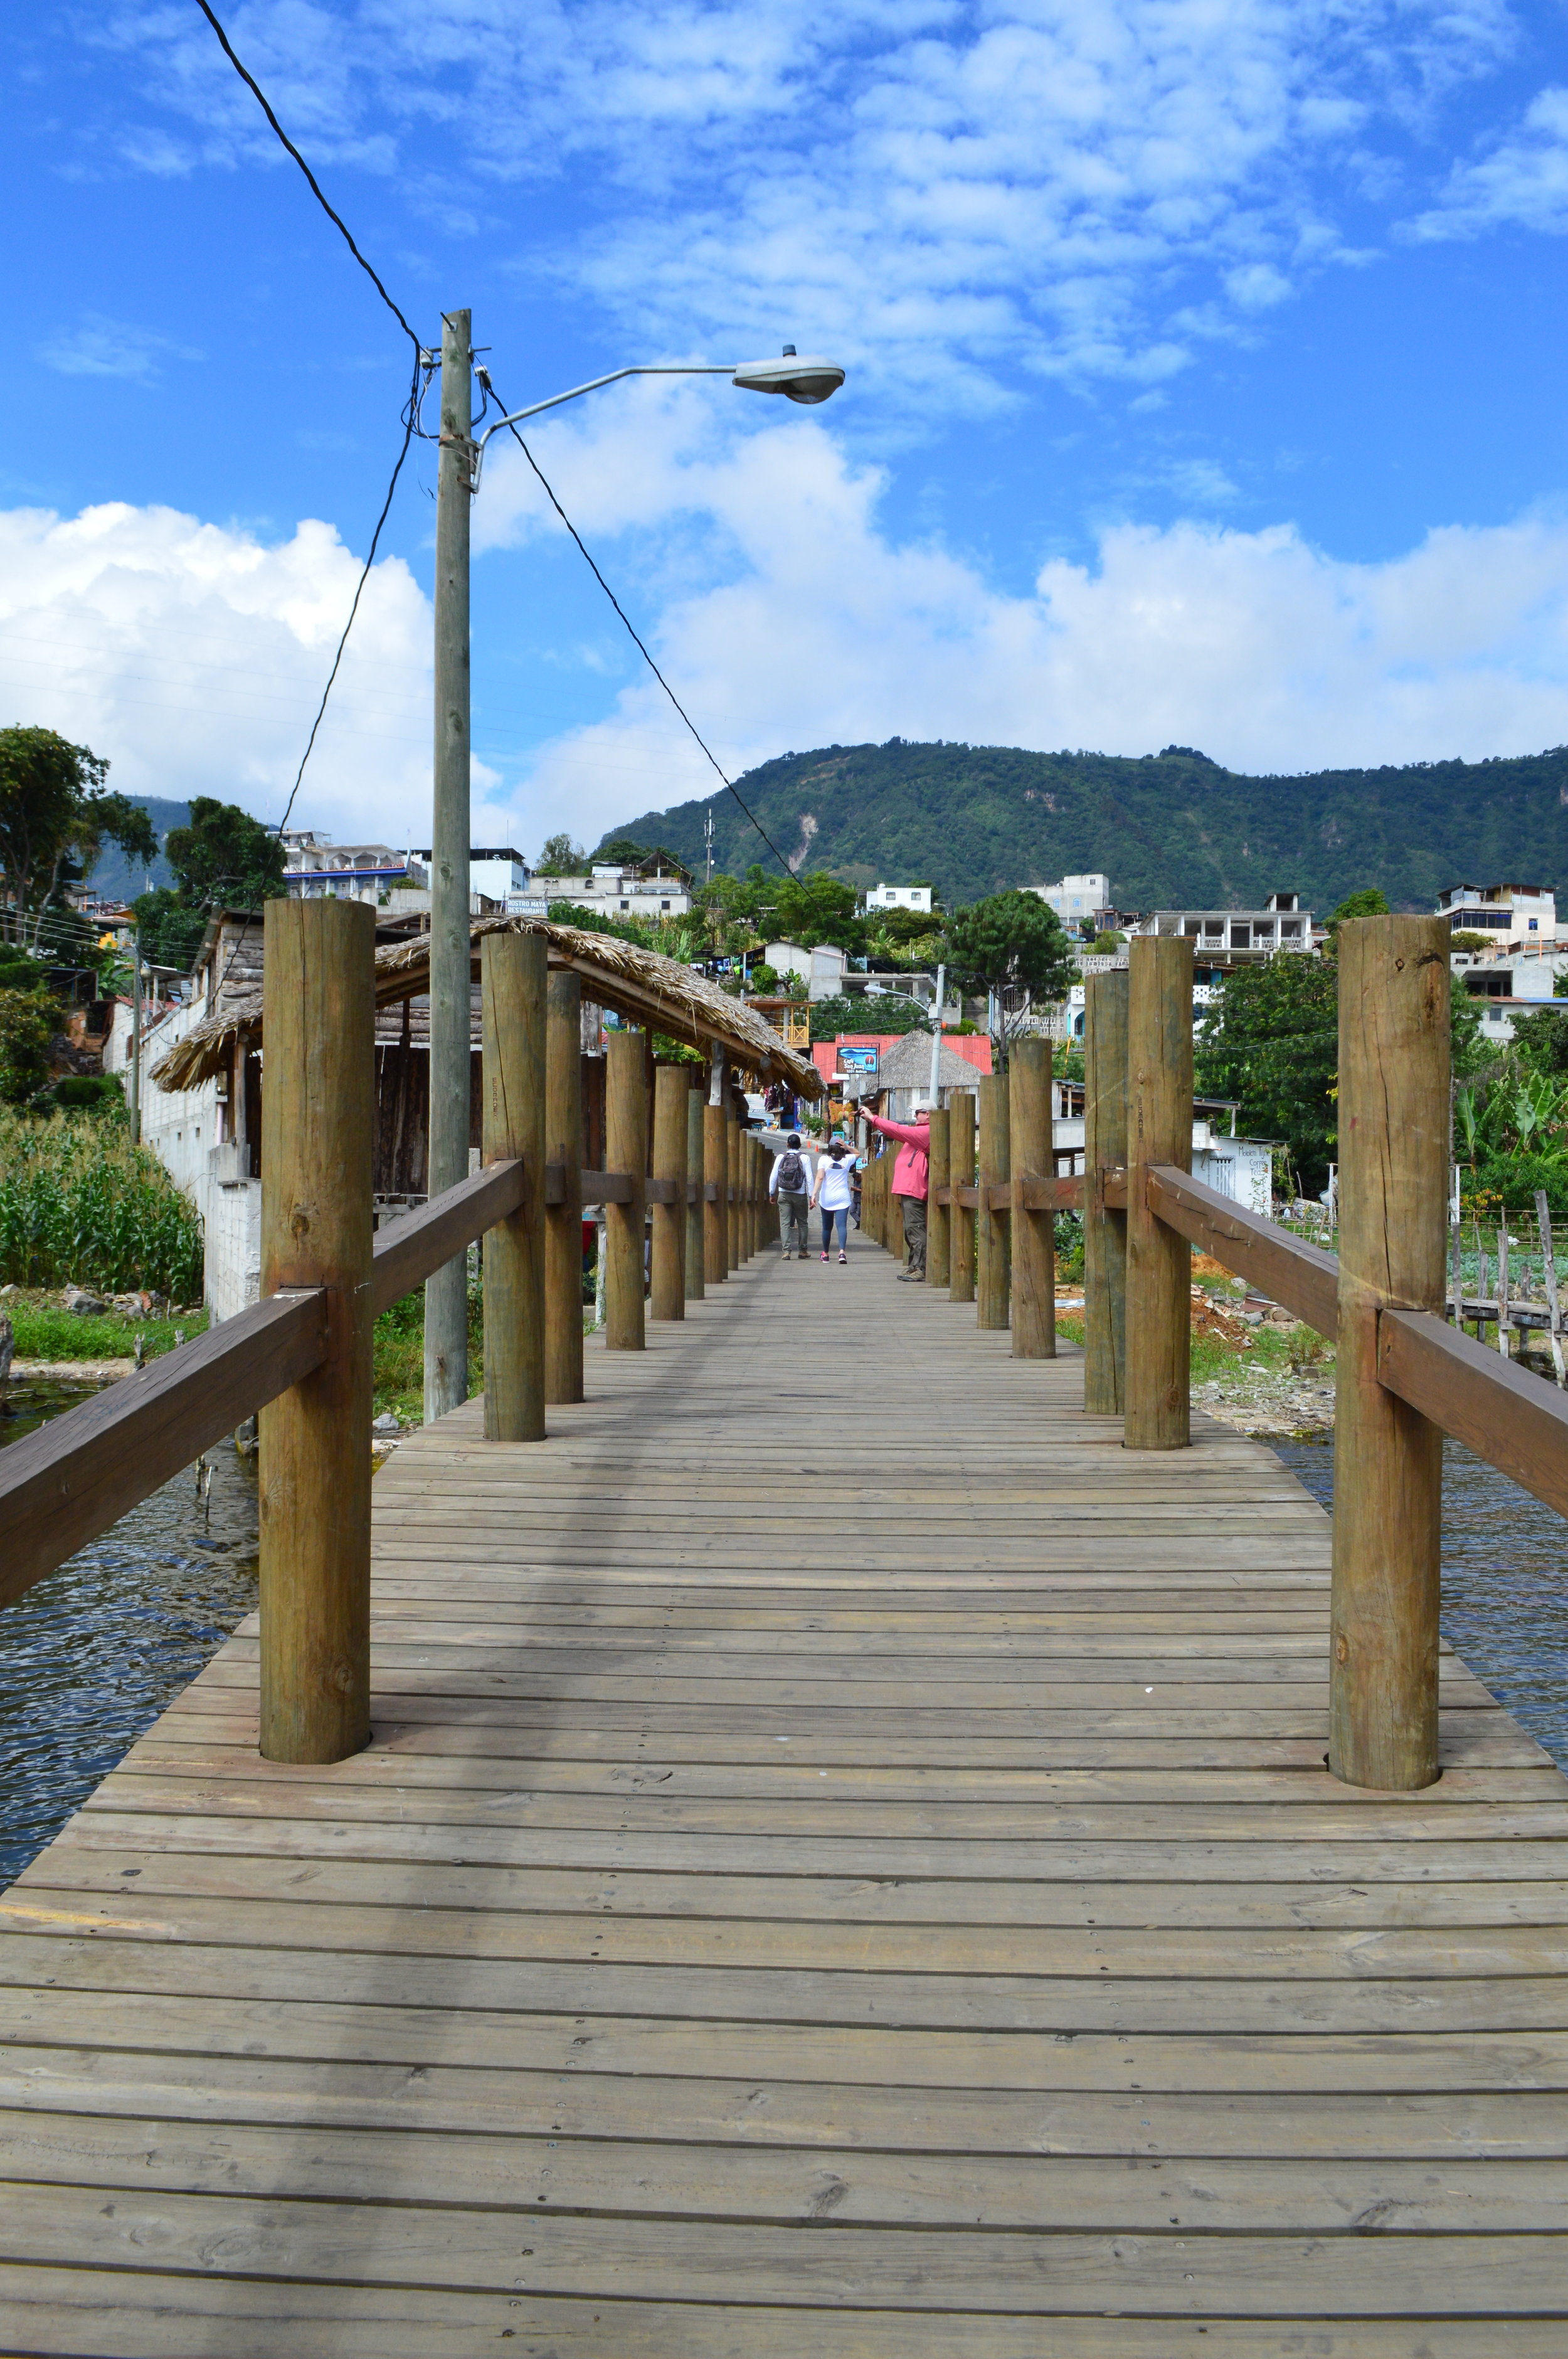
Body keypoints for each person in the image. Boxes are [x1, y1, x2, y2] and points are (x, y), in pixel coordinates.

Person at [861, 1107, 932, 1281]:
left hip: (915, 1189)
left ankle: (921, 1268)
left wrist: (873, 1119)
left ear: (928, 1114)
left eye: (918, 1113)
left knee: (915, 1229)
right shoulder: (919, 1132)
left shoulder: (927, 1131)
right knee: (910, 1230)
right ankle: (914, 1265)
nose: (914, 1116)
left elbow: (898, 1130)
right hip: (909, 1188)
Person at [811, 1138, 861, 1264]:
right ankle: (842, 1253)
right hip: (842, 1197)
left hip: (827, 1197)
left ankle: (826, 1254)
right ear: (841, 1147)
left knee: (827, 1228)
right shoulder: (847, 1159)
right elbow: (858, 1153)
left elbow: (820, 1177)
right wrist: (848, 1147)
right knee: (842, 1226)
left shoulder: (824, 1159)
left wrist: (813, 1195)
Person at [769, 1132, 813, 1260]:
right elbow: (809, 1178)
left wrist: (772, 1193)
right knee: (803, 1223)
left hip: (784, 1194)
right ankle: (803, 1250)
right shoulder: (805, 1158)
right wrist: (812, 1196)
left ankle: (786, 1251)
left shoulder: (781, 1157)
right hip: (800, 1194)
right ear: (800, 1145)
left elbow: (773, 1177)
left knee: (785, 1223)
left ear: (787, 1144)